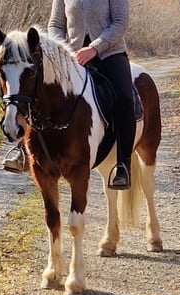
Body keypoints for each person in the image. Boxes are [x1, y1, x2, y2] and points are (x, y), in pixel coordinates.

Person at [48, 0, 135, 190]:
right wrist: (62, 50)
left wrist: (95, 48)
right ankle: (23, 149)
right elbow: (56, 24)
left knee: (125, 99)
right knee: (40, 88)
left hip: (109, 54)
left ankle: (123, 166)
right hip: (72, 57)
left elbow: (120, 22)